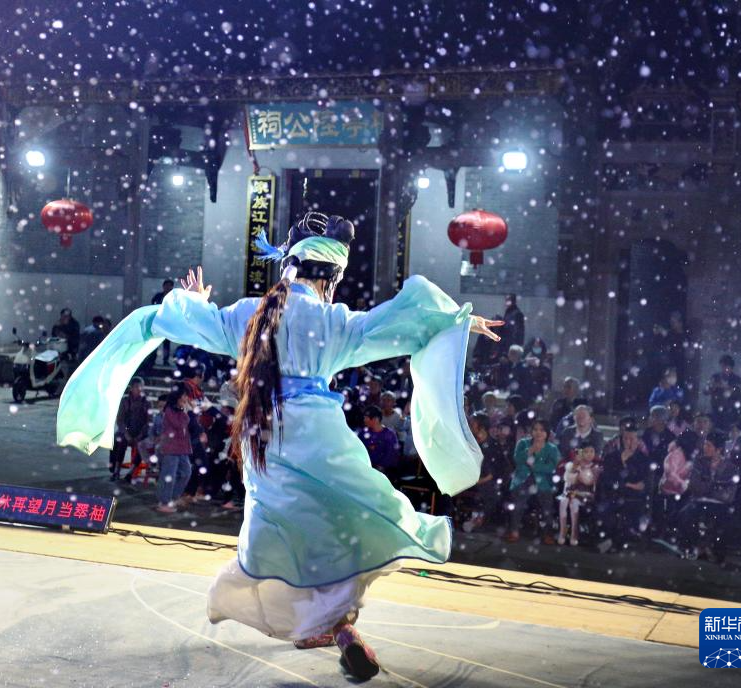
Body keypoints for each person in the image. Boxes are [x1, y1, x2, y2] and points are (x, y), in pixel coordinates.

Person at [56, 211, 501, 679]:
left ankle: (325, 625)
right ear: (331, 277)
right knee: (354, 525)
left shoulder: (250, 313)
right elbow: (398, 325)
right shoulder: (331, 321)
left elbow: (185, 322)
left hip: (264, 437)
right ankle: (340, 625)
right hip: (320, 440)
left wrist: (192, 301)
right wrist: (455, 322)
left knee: (285, 539)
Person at [678, 430, 739, 562]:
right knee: (685, 514)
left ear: (719, 449)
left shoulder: (731, 468)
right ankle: (692, 548)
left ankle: (716, 552)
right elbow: (694, 486)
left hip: (720, 504)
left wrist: (707, 488)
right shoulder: (699, 462)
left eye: (709, 445)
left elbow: (728, 495)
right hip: (699, 501)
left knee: (727, 521)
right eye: (705, 444)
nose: (705, 448)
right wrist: (714, 487)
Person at [506, 419, 560, 545]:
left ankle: (548, 533)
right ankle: (514, 531)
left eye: (542, 430)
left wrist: (535, 466)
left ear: (547, 433)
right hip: (523, 479)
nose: (538, 433)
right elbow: (517, 460)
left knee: (547, 506)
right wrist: (530, 450)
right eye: (535, 429)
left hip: (543, 481)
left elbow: (552, 467)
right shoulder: (523, 443)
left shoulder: (552, 448)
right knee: (518, 503)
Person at [597, 423, 649, 553]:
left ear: (637, 440)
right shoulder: (612, 457)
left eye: (632, 439)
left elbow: (642, 483)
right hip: (613, 493)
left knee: (628, 512)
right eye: (626, 438)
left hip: (633, 497)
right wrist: (627, 483)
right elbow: (608, 479)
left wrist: (625, 471)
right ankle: (609, 540)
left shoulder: (643, 459)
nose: (629, 442)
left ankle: (614, 542)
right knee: (605, 509)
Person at [465, 412, 511, 532]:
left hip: (490, 480)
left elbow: (493, 473)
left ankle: (478, 519)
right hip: (472, 476)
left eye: (473, 424)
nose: (469, 426)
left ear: (481, 427)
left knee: (490, 491)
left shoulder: (493, 446)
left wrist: (477, 481)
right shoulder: (470, 443)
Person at [655, 429, 699, 545]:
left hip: (683, 490)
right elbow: (671, 475)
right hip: (669, 489)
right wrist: (683, 484)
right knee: (675, 510)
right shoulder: (675, 454)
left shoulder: (690, 455)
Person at [154, 388, 194, 513]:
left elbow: (188, 425)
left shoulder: (180, 410)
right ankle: (164, 502)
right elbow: (180, 425)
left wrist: (186, 411)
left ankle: (173, 497)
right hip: (171, 447)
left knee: (186, 472)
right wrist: (186, 411)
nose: (186, 398)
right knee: (168, 476)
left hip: (182, 447)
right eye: (184, 396)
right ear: (178, 397)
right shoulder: (169, 410)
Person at [558, 440, 600, 546]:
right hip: (572, 492)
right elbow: (568, 480)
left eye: (592, 451)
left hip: (586, 494)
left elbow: (589, 482)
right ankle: (562, 532)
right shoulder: (573, 465)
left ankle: (574, 534)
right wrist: (575, 466)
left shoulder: (595, 467)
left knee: (574, 503)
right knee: (563, 502)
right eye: (586, 452)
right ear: (580, 453)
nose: (589, 454)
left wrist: (581, 475)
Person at [110, 377, 150, 482]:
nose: (139, 389)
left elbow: (148, 422)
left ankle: (131, 472)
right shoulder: (125, 401)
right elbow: (120, 420)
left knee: (143, 444)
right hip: (126, 430)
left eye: (141, 386)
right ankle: (116, 470)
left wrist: (140, 435)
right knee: (118, 440)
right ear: (131, 388)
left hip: (140, 431)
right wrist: (126, 434)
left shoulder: (146, 402)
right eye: (136, 387)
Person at [357, 405, 401, 480]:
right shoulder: (363, 433)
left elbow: (391, 456)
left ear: (375, 419)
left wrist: (379, 468)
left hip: (384, 472)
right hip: (365, 469)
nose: (364, 420)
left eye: (366, 418)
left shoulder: (389, 434)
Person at [705, 354, 741, 432]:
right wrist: (712, 388)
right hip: (715, 409)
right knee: (715, 430)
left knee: (727, 431)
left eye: (726, 367)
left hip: (730, 411)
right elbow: (706, 391)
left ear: (731, 367)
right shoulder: (715, 377)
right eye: (722, 366)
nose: (724, 369)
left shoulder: (736, 379)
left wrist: (722, 386)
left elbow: (736, 392)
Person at [152, 279, 175, 366]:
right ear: (163, 286)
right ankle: (152, 359)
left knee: (166, 342)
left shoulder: (174, 298)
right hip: (158, 322)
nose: (168, 288)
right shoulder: (158, 296)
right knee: (154, 341)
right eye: (166, 286)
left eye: (169, 286)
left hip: (167, 323)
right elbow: (153, 305)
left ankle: (165, 360)